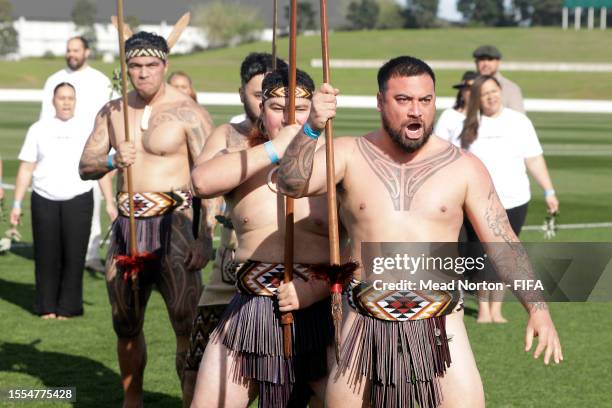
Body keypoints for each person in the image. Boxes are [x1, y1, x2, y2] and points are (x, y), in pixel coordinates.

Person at [276, 56, 562, 408]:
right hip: (364, 317)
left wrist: (538, 309)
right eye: (403, 100)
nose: (416, 111)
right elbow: (289, 183)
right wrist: (313, 128)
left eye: (425, 101)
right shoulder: (349, 153)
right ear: (380, 101)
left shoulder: (464, 167)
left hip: (441, 319)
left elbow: (503, 242)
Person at [190, 68, 341, 408]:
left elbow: (357, 243)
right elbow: (200, 182)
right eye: (277, 107)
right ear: (261, 110)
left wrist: (313, 289)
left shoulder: (337, 161)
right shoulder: (247, 158)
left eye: (301, 108)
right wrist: (276, 148)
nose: (290, 117)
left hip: (319, 312)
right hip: (250, 309)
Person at [78, 31, 214, 408]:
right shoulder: (112, 112)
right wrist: (111, 160)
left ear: (165, 65)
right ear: (126, 68)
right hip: (128, 228)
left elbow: (211, 181)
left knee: (186, 323)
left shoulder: (190, 112)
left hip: (175, 227)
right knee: (124, 322)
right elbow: (84, 165)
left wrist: (206, 238)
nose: (143, 74)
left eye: (151, 65)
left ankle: (190, 401)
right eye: (135, 66)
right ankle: (132, 400)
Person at [182, 52, 287, 407]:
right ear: (241, 93)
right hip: (228, 272)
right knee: (197, 369)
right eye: (257, 95)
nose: (263, 104)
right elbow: (203, 183)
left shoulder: (299, 137)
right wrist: (201, 236)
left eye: (271, 96)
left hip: (282, 273)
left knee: (283, 378)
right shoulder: (228, 134)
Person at [456, 75, 559, 324]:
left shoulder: (519, 122)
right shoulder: (469, 124)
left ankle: (497, 309)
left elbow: (533, 158)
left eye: (494, 91)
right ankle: (483, 310)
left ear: (501, 92)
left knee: (507, 253)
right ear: (476, 99)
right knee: (482, 254)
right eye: (484, 93)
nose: (490, 97)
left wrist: (549, 191)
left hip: (515, 199)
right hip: (479, 202)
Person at [10, 82, 116, 320]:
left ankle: (69, 307)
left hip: (78, 199)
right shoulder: (38, 129)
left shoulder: (87, 129)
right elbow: (26, 167)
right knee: (46, 255)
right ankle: (46, 306)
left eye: (70, 98)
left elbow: (99, 168)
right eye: (61, 98)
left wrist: (109, 203)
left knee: (74, 255)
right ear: (53, 101)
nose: (66, 102)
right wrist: (16, 203)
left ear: (75, 101)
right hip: (43, 198)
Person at [40, 36, 115, 273]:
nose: (71, 53)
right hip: (59, 151)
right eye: (68, 50)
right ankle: (63, 254)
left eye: (76, 50)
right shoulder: (54, 80)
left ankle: (90, 255)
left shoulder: (100, 81)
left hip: (92, 152)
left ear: (87, 52)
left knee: (91, 202)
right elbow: (44, 119)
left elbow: (110, 118)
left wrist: (109, 156)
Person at [473, 45, 525, 113]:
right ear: (476, 62)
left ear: (498, 62)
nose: (485, 63)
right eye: (482, 59)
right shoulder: (469, 86)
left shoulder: (510, 88)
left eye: (490, 59)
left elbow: (519, 118)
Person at [434, 70, 477, 142]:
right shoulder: (449, 116)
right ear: (462, 92)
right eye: (468, 88)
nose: (473, 92)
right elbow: (438, 145)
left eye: (476, 89)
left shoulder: (487, 116)